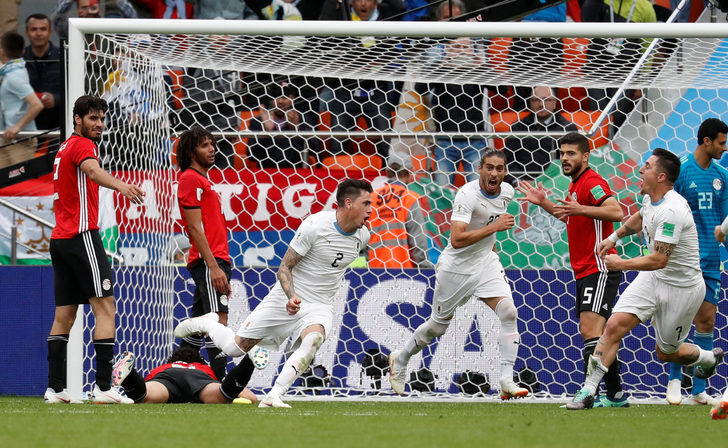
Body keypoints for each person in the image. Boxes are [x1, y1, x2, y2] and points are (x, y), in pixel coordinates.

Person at [174, 178, 373, 408]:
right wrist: (291, 297)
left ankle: (274, 395)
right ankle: (208, 324)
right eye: (366, 203)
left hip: (320, 304)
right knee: (234, 349)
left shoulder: (363, 236)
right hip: (286, 297)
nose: (370, 209)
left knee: (314, 338)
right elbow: (285, 267)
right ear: (348, 203)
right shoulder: (315, 226)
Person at [566, 148, 725, 410]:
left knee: (665, 353)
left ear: (661, 177)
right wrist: (614, 237)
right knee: (614, 325)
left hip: (682, 288)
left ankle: (708, 358)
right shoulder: (651, 198)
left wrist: (621, 263)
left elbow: (659, 259)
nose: (641, 169)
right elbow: (641, 216)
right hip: (653, 279)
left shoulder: (673, 210)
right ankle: (588, 391)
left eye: (648, 166)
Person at [388, 149, 530, 400]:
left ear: (505, 171)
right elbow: (456, 239)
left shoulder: (508, 192)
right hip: (456, 268)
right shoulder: (467, 195)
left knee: (509, 312)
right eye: (489, 167)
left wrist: (490, 242)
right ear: (480, 169)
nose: (494, 173)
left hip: (485, 262)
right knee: (437, 327)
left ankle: (506, 380)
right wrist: (493, 228)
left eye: (499, 168)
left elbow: (489, 222)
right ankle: (400, 358)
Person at [45, 95, 145, 404]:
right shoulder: (83, 146)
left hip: (60, 240)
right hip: (81, 236)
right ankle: (103, 387)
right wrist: (122, 186)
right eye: (92, 118)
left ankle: (56, 389)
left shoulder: (63, 148)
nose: (99, 123)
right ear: (77, 119)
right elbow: (92, 171)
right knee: (106, 308)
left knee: (64, 315)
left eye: (101, 118)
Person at [517, 132, 628, 407]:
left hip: (600, 265)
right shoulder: (575, 185)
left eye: (571, 154)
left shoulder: (592, 182)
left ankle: (588, 393)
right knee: (598, 333)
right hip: (584, 269)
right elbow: (570, 215)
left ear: (585, 156)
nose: (565, 158)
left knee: (589, 329)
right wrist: (543, 201)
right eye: (563, 153)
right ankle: (615, 395)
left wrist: (582, 208)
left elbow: (615, 212)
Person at [666, 118, 728, 406]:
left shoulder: (722, 176)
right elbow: (667, 212)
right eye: (721, 143)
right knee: (679, 321)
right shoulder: (681, 169)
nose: (724, 148)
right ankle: (674, 381)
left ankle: (699, 389)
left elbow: (724, 224)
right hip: (683, 259)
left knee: (706, 322)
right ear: (706, 141)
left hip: (711, 260)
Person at [176, 127, 233, 381]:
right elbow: (194, 227)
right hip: (209, 261)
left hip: (214, 259)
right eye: (204, 145)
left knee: (200, 325)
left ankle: (175, 372)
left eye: (213, 144)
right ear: (190, 152)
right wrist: (213, 266)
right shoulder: (190, 178)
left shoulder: (203, 181)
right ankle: (224, 384)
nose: (212, 149)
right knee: (217, 321)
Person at [417, 0, 492, 187]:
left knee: (477, 191)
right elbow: (420, 88)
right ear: (447, 49)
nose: (461, 52)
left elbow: (503, 89)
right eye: (456, 48)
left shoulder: (477, 70)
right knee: (441, 193)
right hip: (445, 142)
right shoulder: (441, 70)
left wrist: (479, 66)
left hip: (474, 141)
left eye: (464, 48)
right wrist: (443, 65)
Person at [110, 346, 260, 404]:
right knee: (222, 395)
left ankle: (129, 375)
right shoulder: (203, 368)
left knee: (145, 396)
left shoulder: (164, 367)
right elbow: (251, 397)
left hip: (167, 377)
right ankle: (248, 361)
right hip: (200, 379)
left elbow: (146, 388)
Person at [368, 152, 432, 269]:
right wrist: (425, 269)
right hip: (403, 271)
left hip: (373, 268)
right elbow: (419, 240)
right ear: (410, 171)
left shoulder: (372, 197)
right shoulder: (410, 198)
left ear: (387, 171)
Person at [505, 86, 578, 183]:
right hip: (522, 186)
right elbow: (508, 160)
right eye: (536, 100)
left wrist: (548, 183)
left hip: (556, 184)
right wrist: (519, 181)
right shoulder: (518, 128)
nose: (541, 104)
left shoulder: (567, 128)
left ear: (555, 103)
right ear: (530, 103)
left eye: (546, 100)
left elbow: (572, 162)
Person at [248, 81, 320, 168]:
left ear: (293, 99)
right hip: (267, 174)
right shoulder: (258, 121)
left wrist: (297, 130)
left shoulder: (303, 120)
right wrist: (266, 133)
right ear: (270, 100)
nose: (280, 101)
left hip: (296, 174)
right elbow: (251, 156)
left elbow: (315, 151)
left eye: (285, 97)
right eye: (276, 97)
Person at [0, 31, 43, 169]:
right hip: (6, 138)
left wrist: (17, 127)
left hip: (19, 141)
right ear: (23, 51)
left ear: (2, 51)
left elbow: (37, 105)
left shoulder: (14, 76)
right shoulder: (11, 70)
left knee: (20, 186)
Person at [23, 14, 62, 132]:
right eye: (34, 29)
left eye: (43, 29)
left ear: (50, 32)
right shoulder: (19, 59)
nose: (38, 33)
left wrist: (55, 99)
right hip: (26, 126)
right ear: (26, 32)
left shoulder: (64, 56)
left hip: (58, 125)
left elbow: (75, 88)